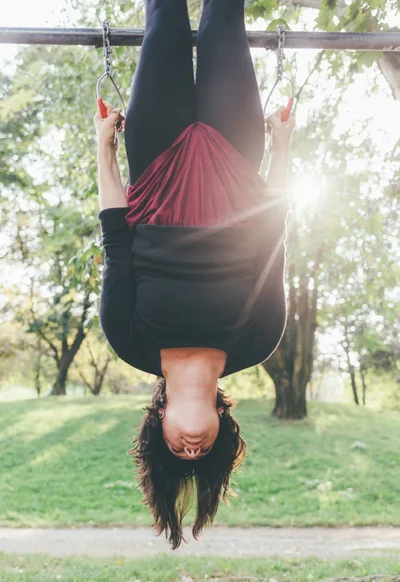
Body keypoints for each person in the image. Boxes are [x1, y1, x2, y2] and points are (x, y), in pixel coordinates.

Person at [94, 0, 295, 549]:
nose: (189, 447)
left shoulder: (128, 339)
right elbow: (273, 238)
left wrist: (104, 151)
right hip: (235, 158)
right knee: (224, 16)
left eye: (176, 451)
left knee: (164, 15)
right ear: (221, 432)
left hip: (156, 161)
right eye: (200, 453)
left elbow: (117, 237)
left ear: (157, 425)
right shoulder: (257, 340)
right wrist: (283, 149)